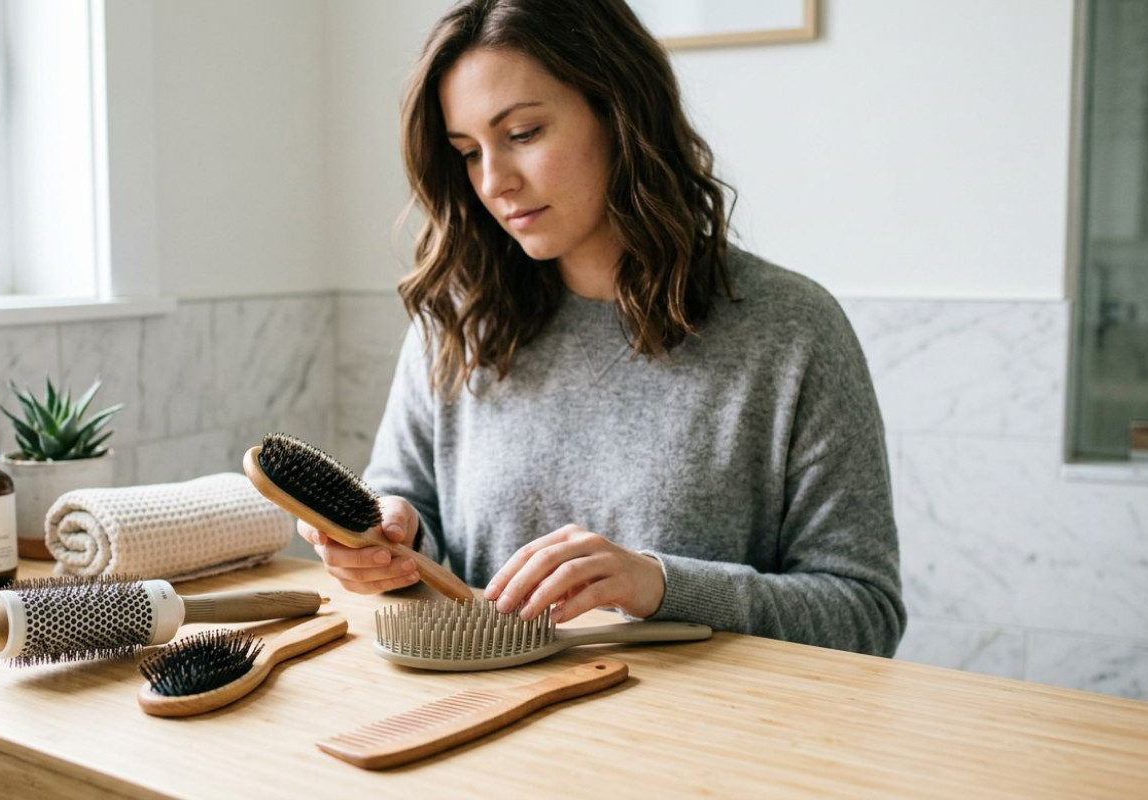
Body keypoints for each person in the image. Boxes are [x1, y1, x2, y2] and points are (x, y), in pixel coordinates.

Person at [298, 0, 905, 656]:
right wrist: (388, 543)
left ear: (621, 115)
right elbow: (406, 513)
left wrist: (658, 585)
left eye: (523, 133)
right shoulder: (456, 323)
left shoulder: (792, 330)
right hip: (484, 712)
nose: (494, 181)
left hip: (700, 722)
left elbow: (864, 616)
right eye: (468, 153)